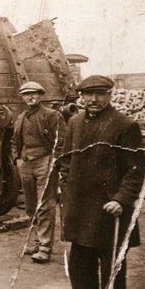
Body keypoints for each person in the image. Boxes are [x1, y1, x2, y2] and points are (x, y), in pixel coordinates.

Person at [58, 75, 143, 289]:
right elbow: (66, 159)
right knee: (80, 272)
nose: (93, 99)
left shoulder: (125, 125)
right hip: (80, 211)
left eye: (100, 94)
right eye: (88, 94)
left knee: (112, 275)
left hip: (109, 212)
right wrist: (68, 186)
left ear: (110, 95)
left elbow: (136, 169)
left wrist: (121, 200)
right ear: (81, 96)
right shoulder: (75, 122)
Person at [12, 81, 66, 263]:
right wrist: (17, 159)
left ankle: (44, 247)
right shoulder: (20, 117)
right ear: (22, 97)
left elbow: (62, 141)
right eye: (26, 94)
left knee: (45, 204)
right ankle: (37, 241)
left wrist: (53, 162)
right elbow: (14, 141)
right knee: (30, 204)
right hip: (26, 163)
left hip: (45, 161)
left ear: (40, 95)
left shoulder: (52, 115)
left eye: (34, 94)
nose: (30, 97)